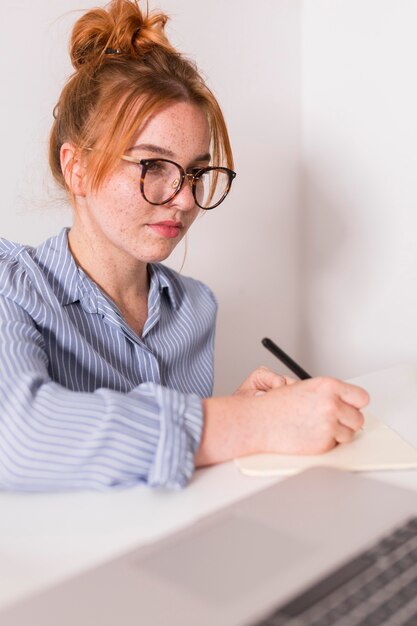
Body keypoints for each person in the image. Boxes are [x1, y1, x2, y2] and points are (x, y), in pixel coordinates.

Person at [0, 0, 368, 491]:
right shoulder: (12, 289)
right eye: (153, 166)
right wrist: (247, 424)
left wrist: (226, 419)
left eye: (196, 172)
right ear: (77, 169)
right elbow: (20, 439)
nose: (185, 199)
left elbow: (168, 489)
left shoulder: (195, 308)